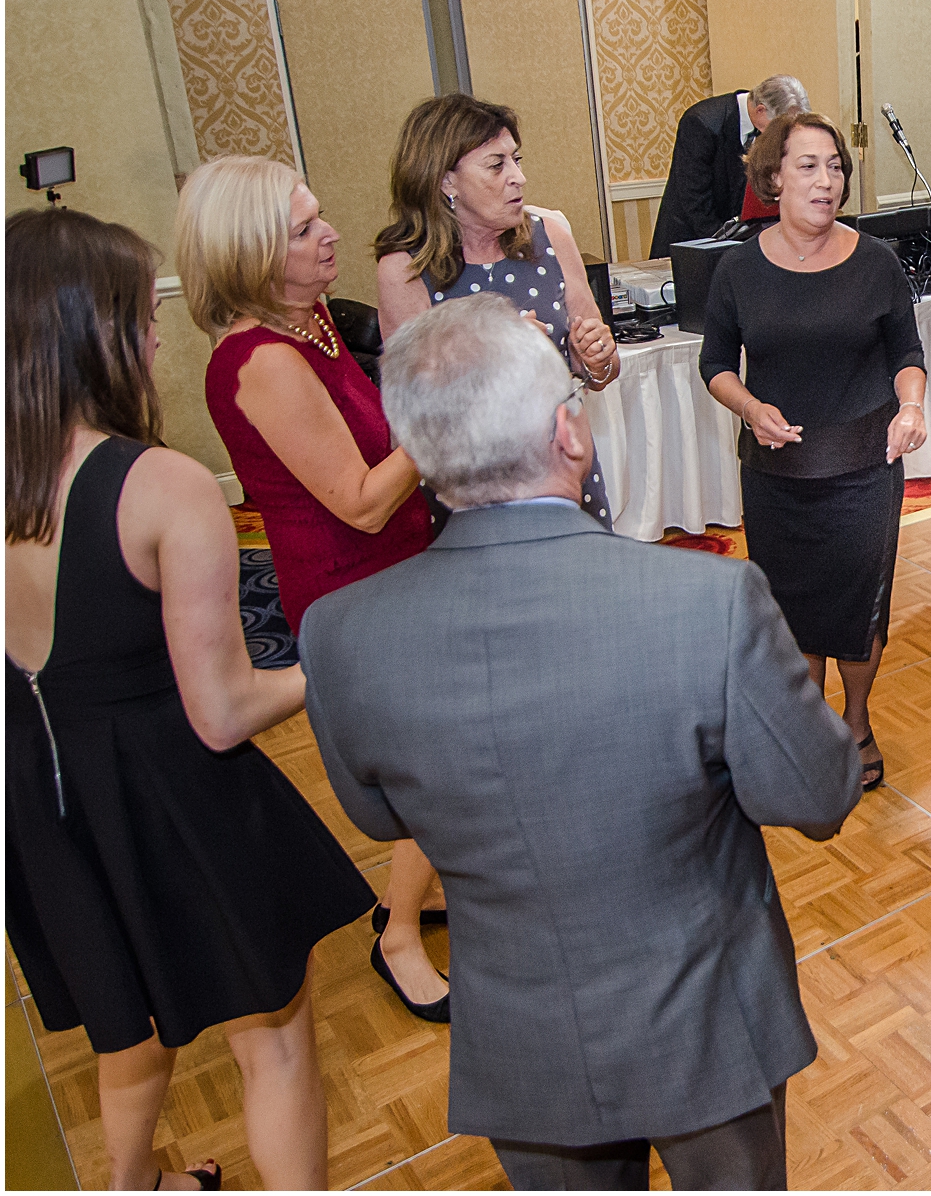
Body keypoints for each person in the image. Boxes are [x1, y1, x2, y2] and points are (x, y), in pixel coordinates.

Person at [301, 292, 861, 1190]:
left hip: (520, 1039)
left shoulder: (338, 636)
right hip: (707, 1022)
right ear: (570, 434)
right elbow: (821, 795)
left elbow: (376, 816)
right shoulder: (710, 603)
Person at [8, 207, 371, 1191]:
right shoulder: (160, 485)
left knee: (128, 1026)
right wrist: (326, 665)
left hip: (42, 804)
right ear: (92, 332)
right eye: (138, 315)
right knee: (277, 1037)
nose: (154, 336)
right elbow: (220, 707)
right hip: (172, 793)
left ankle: (130, 1187)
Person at [185, 157, 449, 1023]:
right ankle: (398, 931)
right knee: (426, 767)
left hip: (398, 574)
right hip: (353, 591)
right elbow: (364, 504)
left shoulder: (318, 326)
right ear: (250, 252)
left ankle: (425, 887)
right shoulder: (260, 359)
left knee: (431, 752)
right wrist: (449, 414)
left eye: (319, 215)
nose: (329, 232)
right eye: (302, 229)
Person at [700, 113, 927, 794]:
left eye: (834, 166)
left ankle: (855, 723)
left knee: (860, 608)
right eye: (808, 166)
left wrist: (912, 406)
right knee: (791, 610)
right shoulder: (739, 269)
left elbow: (907, 355)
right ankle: (806, 723)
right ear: (774, 177)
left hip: (862, 467)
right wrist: (748, 407)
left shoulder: (875, 263)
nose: (826, 180)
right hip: (777, 475)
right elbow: (715, 363)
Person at [375, 93, 620, 532]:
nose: (518, 178)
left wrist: (598, 357)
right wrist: (490, 355)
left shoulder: (552, 236)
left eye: (516, 160)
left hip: (562, 472)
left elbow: (596, 368)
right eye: (496, 165)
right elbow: (411, 421)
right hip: (471, 495)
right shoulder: (406, 270)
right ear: (446, 180)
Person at [649, 74, 808, 251]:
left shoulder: (766, 127)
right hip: (691, 243)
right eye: (779, 125)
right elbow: (694, 201)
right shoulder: (701, 122)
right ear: (760, 110)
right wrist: (725, 248)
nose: (781, 133)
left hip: (740, 242)